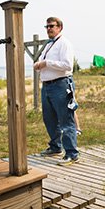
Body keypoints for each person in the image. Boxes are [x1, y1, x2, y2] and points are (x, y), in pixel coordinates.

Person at [34, 17, 79, 166]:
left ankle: (72, 153)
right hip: (47, 86)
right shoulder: (48, 45)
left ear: (59, 27)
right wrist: (39, 64)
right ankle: (55, 147)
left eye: (51, 26)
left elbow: (67, 65)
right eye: (46, 26)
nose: (48, 29)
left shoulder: (64, 43)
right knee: (49, 119)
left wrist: (46, 63)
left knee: (66, 120)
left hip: (60, 85)